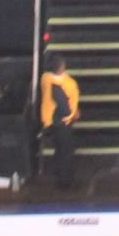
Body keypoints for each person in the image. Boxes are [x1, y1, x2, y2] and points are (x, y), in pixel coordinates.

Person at [38, 53, 80, 189]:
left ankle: (59, 177)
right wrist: (73, 114)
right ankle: (65, 182)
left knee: (59, 150)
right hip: (62, 122)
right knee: (65, 152)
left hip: (50, 121)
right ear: (62, 67)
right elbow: (65, 108)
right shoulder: (66, 84)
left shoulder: (45, 79)